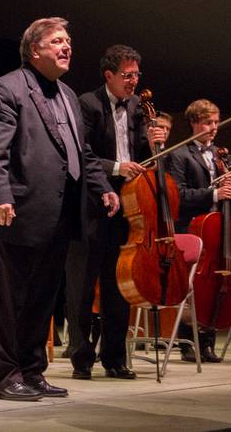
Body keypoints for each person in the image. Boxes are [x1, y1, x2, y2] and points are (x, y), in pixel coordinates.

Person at [0, 17, 120, 401]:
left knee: (42, 299)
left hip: (58, 214)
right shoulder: (6, 88)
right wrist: (0, 195)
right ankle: (4, 376)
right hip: (15, 211)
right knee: (9, 300)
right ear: (34, 49)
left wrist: (102, 186)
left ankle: (33, 371)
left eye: (68, 40)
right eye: (57, 40)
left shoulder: (70, 95)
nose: (66, 46)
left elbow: (83, 152)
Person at [66, 44, 165, 381]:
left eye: (137, 75)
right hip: (92, 206)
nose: (133, 82)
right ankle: (81, 358)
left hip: (128, 207)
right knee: (83, 285)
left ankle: (115, 358)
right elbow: (82, 155)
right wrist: (118, 168)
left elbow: (143, 158)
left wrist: (154, 146)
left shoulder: (139, 106)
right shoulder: (87, 104)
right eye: (127, 76)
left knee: (119, 284)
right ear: (108, 75)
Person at [166, 99, 231, 363]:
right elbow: (179, 195)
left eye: (216, 122)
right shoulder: (179, 154)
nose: (214, 127)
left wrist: (229, 189)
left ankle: (208, 342)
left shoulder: (221, 154)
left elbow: (227, 196)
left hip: (216, 228)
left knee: (216, 281)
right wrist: (214, 192)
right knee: (191, 287)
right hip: (191, 226)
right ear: (194, 123)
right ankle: (187, 343)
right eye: (208, 122)